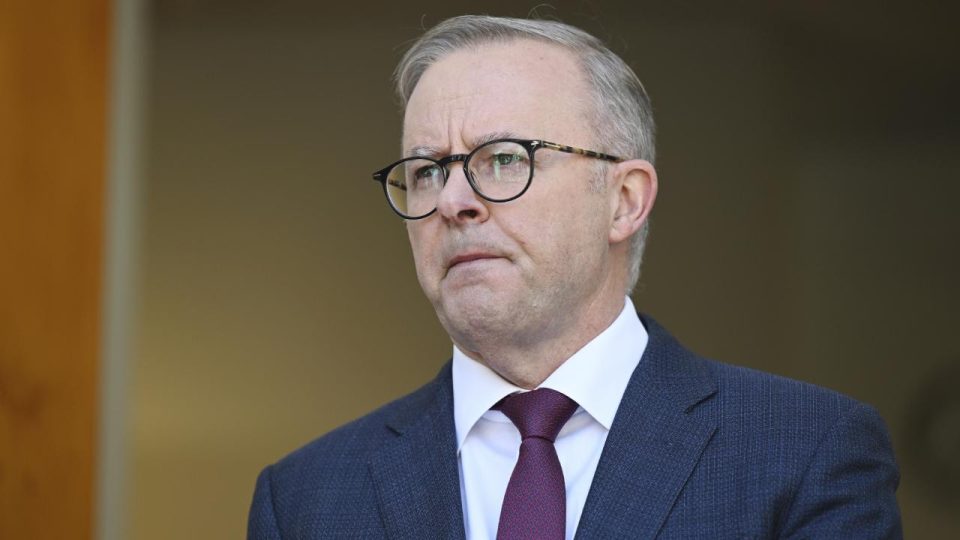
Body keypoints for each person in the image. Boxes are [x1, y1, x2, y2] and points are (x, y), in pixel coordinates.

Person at [248, 15, 902, 539]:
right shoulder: (305, 498)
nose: (452, 201)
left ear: (624, 201)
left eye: (504, 158)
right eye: (426, 171)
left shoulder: (805, 452)